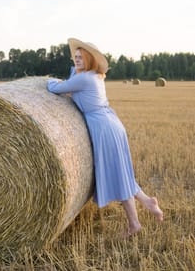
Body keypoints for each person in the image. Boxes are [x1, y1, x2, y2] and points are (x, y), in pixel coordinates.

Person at [47, 38, 163, 237]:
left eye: (81, 57)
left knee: (118, 174)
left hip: (103, 128)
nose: (77, 60)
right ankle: (147, 202)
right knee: (121, 172)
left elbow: (56, 89)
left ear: (89, 59)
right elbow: (72, 81)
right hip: (110, 123)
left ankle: (135, 223)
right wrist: (74, 73)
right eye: (75, 57)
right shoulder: (94, 75)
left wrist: (46, 81)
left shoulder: (85, 79)